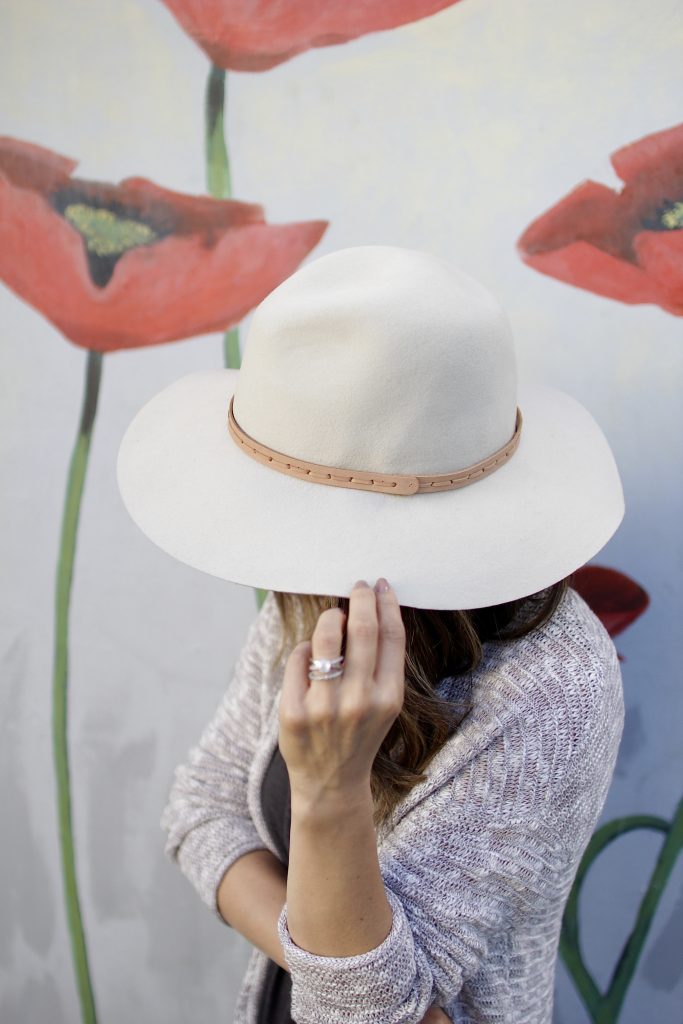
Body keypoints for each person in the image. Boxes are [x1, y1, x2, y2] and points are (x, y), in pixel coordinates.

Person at [116, 245, 626, 1024]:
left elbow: (361, 1015)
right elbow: (200, 810)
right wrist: (323, 963)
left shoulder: (552, 689)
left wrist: (329, 795)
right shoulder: (316, 585)